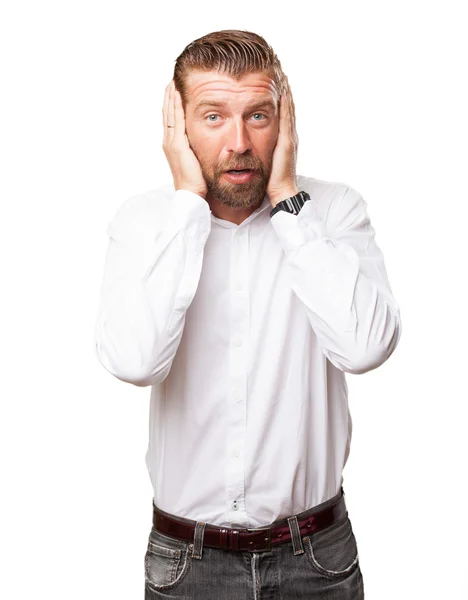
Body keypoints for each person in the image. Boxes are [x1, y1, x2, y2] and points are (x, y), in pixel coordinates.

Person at [93, 29, 402, 599]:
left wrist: (287, 201)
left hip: (317, 559)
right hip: (188, 564)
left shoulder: (332, 212)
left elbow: (365, 348)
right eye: (213, 117)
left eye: (257, 116)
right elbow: (135, 362)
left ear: (283, 123)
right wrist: (189, 205)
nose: (238, 141)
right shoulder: (144, 224)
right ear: (178, 127)